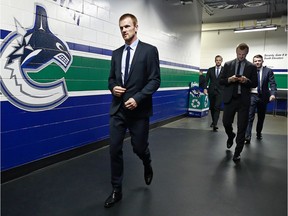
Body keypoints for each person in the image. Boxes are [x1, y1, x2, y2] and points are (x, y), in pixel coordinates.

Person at [105, 13, 161, 208]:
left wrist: (137, 99)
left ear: (136, 27)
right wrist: (113, 87)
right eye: (121, 27)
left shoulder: (149, 51)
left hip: (139, 111)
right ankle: (116, 190)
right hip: (118, 109)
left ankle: (147, 161)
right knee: (114, 149)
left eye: (127, 26)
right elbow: (111, 79)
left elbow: (155, 80)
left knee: (138, 147)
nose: (124, 30)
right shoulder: (116, 53)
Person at [219, 43, 258, 162]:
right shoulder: (227, 64)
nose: (241, 56)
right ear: (236, 52)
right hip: (230, 99)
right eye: (239, 54)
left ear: (247, 53)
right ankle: (231, 135)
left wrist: (246, 81)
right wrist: (229, 80)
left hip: (243, 100)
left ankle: (237, 152)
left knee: (242, 126)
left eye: (243, 54)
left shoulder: (251, 67)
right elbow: (221, 81)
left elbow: (255, 83)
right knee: (226, 122)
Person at [244, 54, 277, 143]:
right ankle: (247, 137)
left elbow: (273, 83)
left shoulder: (268, 71)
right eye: (255, 61)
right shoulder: (249, 70)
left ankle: (258, 133)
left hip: (263, 97)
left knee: (261, 117)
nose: (257, 62)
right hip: (252, 96)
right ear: (253, 62)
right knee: (249, 117)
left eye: (259, 61)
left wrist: (273, 94)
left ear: (262, 61)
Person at [205, 55, 224, 132]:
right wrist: (205, 88)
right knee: (212, 107)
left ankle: (215, 124)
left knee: (217, 107)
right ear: (215, 61)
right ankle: (213, 121)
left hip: (220, 91)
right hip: (211, 91)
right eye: (217, 60)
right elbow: (206, 80)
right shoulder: (210, 70)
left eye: (219, 60)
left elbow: (226, 80)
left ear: (221, 61)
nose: (218, 61)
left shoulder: (225, 70)